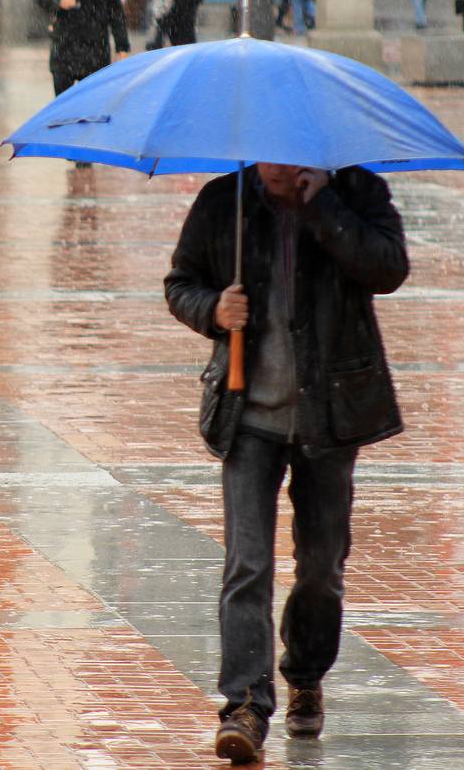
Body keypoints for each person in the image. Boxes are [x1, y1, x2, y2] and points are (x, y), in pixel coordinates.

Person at [164, 162, 408, 764]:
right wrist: (213, 310)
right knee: (247, 564)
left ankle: (304, 672)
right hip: (249, 417)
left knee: (321, 567)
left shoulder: (356, 192)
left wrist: (326, 210)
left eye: (289, 157)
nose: (276, 169)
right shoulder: (226, 201)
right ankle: (244, 705)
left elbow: (388, 269)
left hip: (332, 416)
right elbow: (180, 283)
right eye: (265, 157)